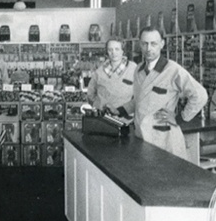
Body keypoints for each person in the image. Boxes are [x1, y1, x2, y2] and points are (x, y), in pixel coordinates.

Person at [116, 26, 207, 160]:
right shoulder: (138, 70)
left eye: (153, 44)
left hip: (165, 139)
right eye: (145, 44)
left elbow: (200, 95)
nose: (149, 49)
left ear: (162, 44)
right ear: (139, 44)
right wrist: (119, 110)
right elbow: (139, 100)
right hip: (141, 136)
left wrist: (180, 118)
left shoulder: (172, 69)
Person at [87, 37, 137, 111]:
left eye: (117, 49)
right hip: (104, 118)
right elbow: (90, 94)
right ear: (107, 52)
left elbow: (140, 95)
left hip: (126, 119)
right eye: (110, 50)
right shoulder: (99, 72)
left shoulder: (133, 68)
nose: (113, 53)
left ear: (122, 51)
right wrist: (99, 106)